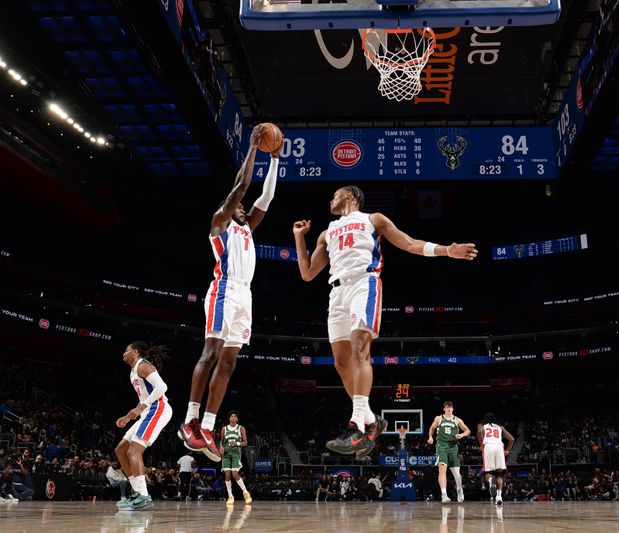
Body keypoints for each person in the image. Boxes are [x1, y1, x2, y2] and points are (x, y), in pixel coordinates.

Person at [293, 186, 477, 455]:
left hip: (363, 284)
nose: (331, 198)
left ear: (351, 196)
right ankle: (372, 420)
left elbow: (409, 243)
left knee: (359, 351)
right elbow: (308, 273)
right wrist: (299, 238)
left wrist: (447, 250)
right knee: (341, 362)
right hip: (337, 292)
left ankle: (356, 427)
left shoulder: (373, 219)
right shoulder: (326, 232)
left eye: (337, 193)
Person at [179, 124, 282, 461]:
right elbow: (241, 187)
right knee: (210, 352)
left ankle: (207, 426)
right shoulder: (220, 221)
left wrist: (276, 160)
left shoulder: (246, 227)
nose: (243, 207)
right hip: (223, 291)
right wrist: (254, 148)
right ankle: (190, 420)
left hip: (245, 296)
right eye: (238, 205)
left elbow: (265, 198)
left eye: (243, 207)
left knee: (230, 361)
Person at [114, 342, 173, 511]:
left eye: (126, 350)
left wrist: (142, 407)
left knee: (134, 451)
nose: (123, 353)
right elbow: (143, 400)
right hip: (148, 411)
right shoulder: (133, 371)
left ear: (135, 352)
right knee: (120, 450)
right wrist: (127, 417)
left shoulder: (143, 365)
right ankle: (137, 492)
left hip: (158, 408)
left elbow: (162, 387)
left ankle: (143, 495)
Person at [427, 401, 471, 503]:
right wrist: (430, 437)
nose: (449, 409)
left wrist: (462, 435)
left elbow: (468, 430)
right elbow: (432, 428)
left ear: (453, 409)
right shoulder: (439, 418)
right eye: (447, 407)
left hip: (453, 447)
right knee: (442, 469)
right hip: (441, 446)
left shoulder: (457, 420)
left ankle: (459, 490)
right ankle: (444, 494)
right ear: (444, 409)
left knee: (456, 472)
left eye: (451, 407)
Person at [476, 412, 514, 506]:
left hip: (488, 446)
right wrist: (507, 450)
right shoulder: (499, 427)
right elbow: (512, 439)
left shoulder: (481, 425)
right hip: (499, 447)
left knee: (488, 472)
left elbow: (480, 432)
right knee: (500, 474)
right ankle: (499, 496)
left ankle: (490, 480)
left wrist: (481, 443)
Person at [220, 410, 252, 505]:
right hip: (226, 453)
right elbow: (221, 441)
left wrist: (237, 443)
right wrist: (221, 447)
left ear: (237, 419)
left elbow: (245, 442)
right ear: (229, 418)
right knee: (227, 475)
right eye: (231, 416)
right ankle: (230, 496)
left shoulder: (241, 428)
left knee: (234, 474)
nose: (233, 417)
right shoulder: (224, 429)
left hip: (236, 453)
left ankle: (245, 492)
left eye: (235, 416)